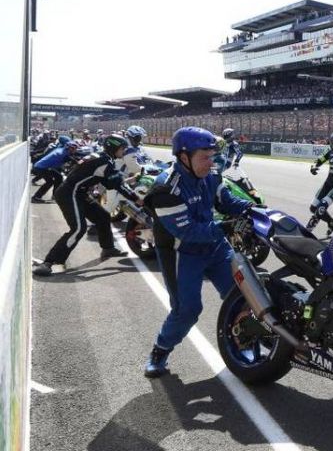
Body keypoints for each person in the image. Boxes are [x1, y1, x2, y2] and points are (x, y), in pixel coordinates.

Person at [142, 127, 255, 378]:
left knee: (242, 297)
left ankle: (243, 343)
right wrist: (226, 227)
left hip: (215, 247)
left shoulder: (211, 174)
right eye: (205, 157)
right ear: (184, 157)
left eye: (212, 156)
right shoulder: (166, 188)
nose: (211, 162)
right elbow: (188, 232)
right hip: (181, 253)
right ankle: (160, 350)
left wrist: (253, 209)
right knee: (187, 310)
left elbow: (227, 202)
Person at [32, 135, 140, 276]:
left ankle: (108, 248)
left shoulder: (100, 157)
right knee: (78, 229)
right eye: (122, 148)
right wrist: (136, 198)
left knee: (103, 216)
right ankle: (48, 263)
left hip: (78, 192)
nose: (123, 151)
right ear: (113, 148)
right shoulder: (104, 162)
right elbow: (117, 184)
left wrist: (124, 181)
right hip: (69, 194)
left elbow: (109, 182)